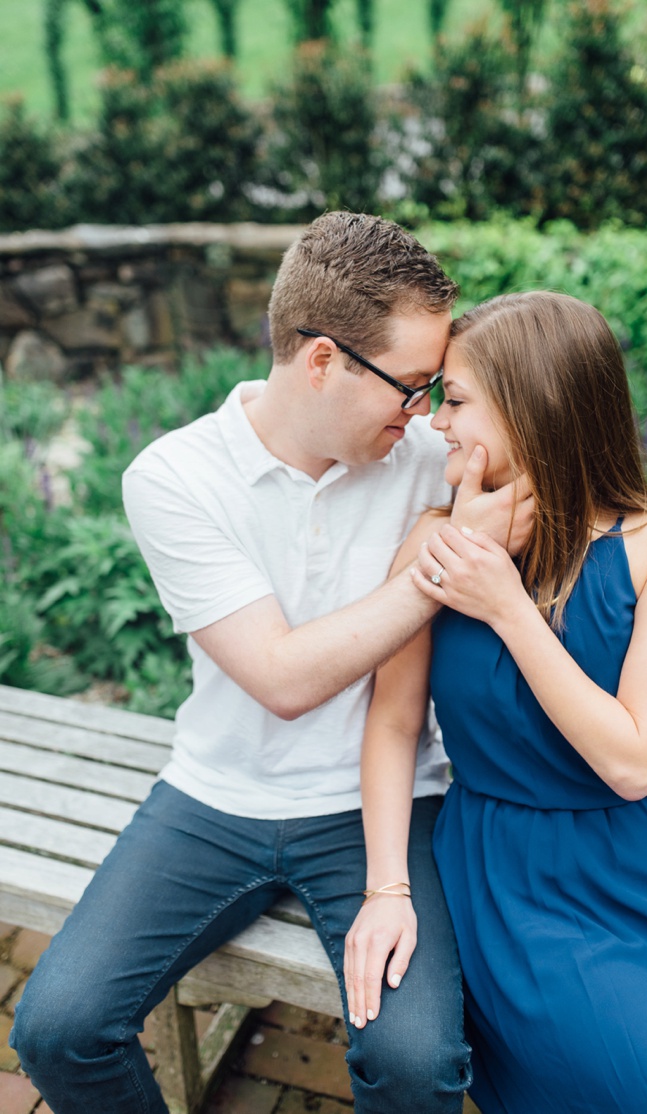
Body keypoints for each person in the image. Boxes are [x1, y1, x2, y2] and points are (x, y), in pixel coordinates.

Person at [10, 211, 529, 1114]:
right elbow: (283, 679)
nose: (421, 413)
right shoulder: (174, 477)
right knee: (57, 1030)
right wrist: (442, 568)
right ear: (322, 360)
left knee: (415, 1063)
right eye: (408, 386)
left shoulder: (426, 460)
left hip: (393, 799)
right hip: (217, 796)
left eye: (430, 390)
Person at [343, 290, 647, 1114]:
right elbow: (391, 726)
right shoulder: (435, 545)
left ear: (537, 407)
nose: (437, 425)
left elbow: (633, 763)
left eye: (455, 402)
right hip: (512, 878)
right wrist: (387, 891)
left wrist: (506, 607)